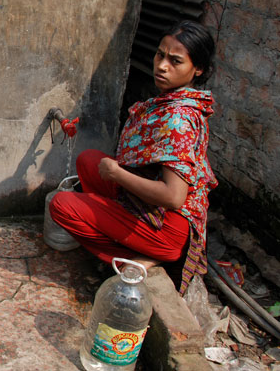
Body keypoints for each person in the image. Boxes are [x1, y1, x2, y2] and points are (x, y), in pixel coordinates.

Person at [49, 20, 217, 295]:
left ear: (197, 69)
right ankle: (130, 234)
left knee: (61, 205)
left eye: (175, 61)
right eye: (160, 54)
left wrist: (117, 174)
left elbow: (173, 197)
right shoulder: (172, 101)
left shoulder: (179, 119)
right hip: (151, 210)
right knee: (89, 161)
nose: (162, 66)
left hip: (168, 227)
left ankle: (142, 256)